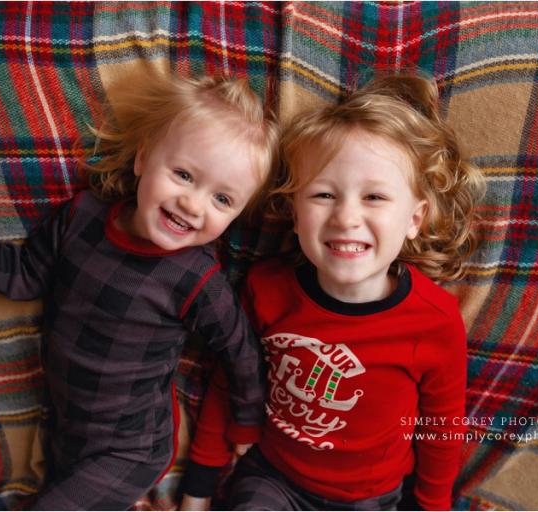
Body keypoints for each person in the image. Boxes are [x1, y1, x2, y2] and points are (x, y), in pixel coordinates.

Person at [0, 73, 278, 510]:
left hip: (131, 449)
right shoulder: (82, 217)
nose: (193, 205)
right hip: (67, 430)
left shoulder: (197, 279)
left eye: (223, 200)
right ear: (142, 159)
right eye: (183, 174)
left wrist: (247, 423)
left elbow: (240, 352)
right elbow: (21, 276)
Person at [179, 73, 486, 511]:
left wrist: (431, 506)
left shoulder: (433, 320)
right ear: (295, 211)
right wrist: (198, 491)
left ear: (415, 219)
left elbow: (442, 428)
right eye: (323, 194)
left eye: (375, 197)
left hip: (370, 498)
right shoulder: (266, 289)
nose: (346, 217)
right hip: (274, 479)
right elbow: (230, 382)